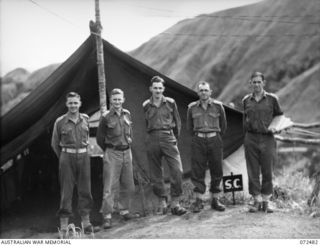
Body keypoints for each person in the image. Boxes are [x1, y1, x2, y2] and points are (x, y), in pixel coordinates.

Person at [142, 75, 187, 216]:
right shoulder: (146, 105)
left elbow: (178, 123)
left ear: (163, 89)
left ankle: (175, 202)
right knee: (155, 173)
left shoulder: (170, 103)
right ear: (151, 89)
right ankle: (162, 201)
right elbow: (146, 123)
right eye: (155, 88)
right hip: (152, 137)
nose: (157, 90)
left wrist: (174, 137)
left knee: (177, 170)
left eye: (160, 88)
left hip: (168, 136)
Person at [51, 92, 93, 238]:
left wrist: (82, 152)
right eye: (70, 103)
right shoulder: (60, 121)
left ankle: (86, 223)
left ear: (80, 103)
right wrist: (64, 156)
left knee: (85, 189)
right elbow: (55, 143)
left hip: (83, 156)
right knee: (66, 191)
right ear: (66, 104)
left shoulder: (86, 119)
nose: (73, 106)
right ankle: (64, 226)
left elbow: (87, 138)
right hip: (66, 157)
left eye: (75, 103)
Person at [96, 88, 138, 229]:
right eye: (114, 100)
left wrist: (127, 142)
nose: (117, 102)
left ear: (123, 100)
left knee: (128, 184)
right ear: (111, 101)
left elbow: (130, 133)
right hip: (112, 153)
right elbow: (99, 138)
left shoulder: (127, 114)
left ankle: (124, 210)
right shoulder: (106, 117)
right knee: (109, 187)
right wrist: (109, 150)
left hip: (127, 152)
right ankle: (107, 216)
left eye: (119, 99)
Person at [242, 71, 283, 213]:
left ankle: (266, 201)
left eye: (259, 82)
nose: (257, 84)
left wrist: (275, 127)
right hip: (250, 138)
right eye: (254, 82)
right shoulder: (246, 100)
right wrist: (246, 137)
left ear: (263, 83)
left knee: (268, 170)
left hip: (267, 138)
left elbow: (279, 116)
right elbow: (244, 119)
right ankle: (256, 200)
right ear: (250, 84)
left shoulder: (272, 99)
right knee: (252, 170)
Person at [187, 81, 227, 213]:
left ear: (210, 92)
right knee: (198, 170)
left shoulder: (218, 106)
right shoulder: (192, 108)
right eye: (201, 90)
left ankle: (215, 199)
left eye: (206, 90)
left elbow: (224, 126)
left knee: (217, 169)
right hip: (198, 140)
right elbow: (189, 127)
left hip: (214, 139)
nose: (203, 93)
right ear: (198, 93)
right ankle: (198, 201)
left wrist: (213, 135)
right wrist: (198, 136)